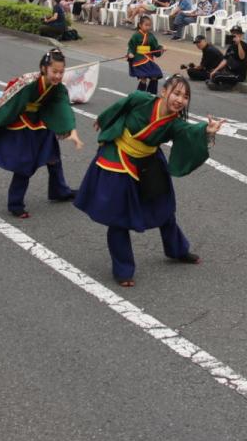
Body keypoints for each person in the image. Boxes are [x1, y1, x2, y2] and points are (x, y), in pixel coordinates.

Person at [74, 76, 224, 287]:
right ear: (164, 92)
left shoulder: (174, 123)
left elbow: (189, 131)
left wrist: (205, 130)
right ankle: (123, 269)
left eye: (185, 96)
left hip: (148, 161)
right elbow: (120, 106)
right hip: (118, 157)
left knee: (164, 208)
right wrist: (104, 119)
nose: (180, 100)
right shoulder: (141, 99)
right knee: (118, 217)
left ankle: (177, 250)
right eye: (177, 93)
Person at [0, 50, 84, 218]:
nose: (58, 76)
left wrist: (71, 130)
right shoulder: (28, 83)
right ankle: (15, 203)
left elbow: (63, 106)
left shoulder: (57, 88)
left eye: (61, 72)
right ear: (44, 69)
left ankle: (59, 190)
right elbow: (9, 103)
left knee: (53, 157)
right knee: (25, 163)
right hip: (22, 121)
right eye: (54, 72)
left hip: (40, 120)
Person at [127, 15, 164, 94]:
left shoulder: (151, 36)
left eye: (149, 25)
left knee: (155, 75)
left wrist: (160, 49)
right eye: (146, 25)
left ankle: (151, 94)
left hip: (149, 59)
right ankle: (139, 95)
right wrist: (130, 53)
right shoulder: (136, 35)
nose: (148, 27)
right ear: (140, 25)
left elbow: (155, 48)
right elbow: (131, 46)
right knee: (143, 78)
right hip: (139, 59)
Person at [208, 25, 247, 91]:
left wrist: (238, 43)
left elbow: (242, 57)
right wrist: (215, 70)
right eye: (233, 33)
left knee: (216, 77)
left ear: (241, 35)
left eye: (237, 33)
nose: (235, 35)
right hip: (229, 72)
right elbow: (225, 60)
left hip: (238, 74)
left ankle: (224, 85)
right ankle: (223, 84)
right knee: (212, 73)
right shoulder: (231, 46)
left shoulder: (244, 45)